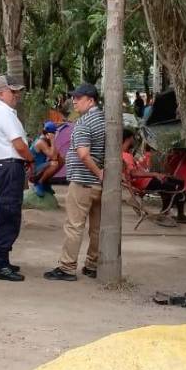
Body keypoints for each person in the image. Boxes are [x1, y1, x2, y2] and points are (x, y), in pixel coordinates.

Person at [44, 83, 105, 281]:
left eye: (78, 98)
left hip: (82, 181)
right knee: (96, 227)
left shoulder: (84, 122)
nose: (74, 101)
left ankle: (67, 267)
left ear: (91, 100)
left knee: (74, 225)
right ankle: (92, 264)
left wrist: (97, 172)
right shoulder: (104, 120)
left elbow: (83, 154)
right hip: (98, 185)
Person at [0, 75, 33, 281]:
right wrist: (31, 160)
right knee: (9, 215)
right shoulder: (4, 113)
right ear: (1, 92)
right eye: (13, 92)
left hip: (1, 167)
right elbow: (19, 145)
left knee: (0, 214)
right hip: (10, 167)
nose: (17, 95)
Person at [121, 130, 186, 222]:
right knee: (175, 187)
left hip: (147, 180)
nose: (134, 140)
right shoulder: (126, 156)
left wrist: (156, 174)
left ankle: (173, 213)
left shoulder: (125, 154)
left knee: (179, 182)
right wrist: (155, 174)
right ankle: (171, 213)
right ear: (128, 139)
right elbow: (133, 173)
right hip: (145, 183)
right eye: (133, 138)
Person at [30, 121, 63, 197]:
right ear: (48, 133)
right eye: (54, 133)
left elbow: (56, 155)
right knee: (54, 164)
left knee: (61, 160)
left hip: (40, 168)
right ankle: (39, 183)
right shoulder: (41, 142)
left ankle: (45, 182)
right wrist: (52, 140)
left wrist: (51, 142)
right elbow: (53, 157)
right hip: (33, 172)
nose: (55, 135)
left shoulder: (46, 140)